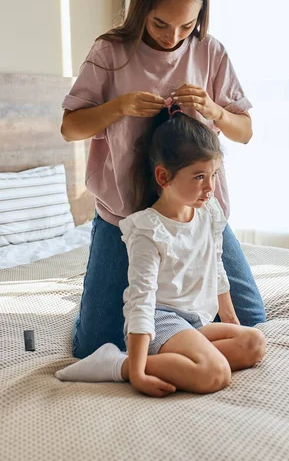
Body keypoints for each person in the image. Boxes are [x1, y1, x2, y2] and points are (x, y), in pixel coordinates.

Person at [61, 0, 266, 360]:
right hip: (125, 218)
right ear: (142, 9)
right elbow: (71, 127)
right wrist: (119, 107)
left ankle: (174, 324)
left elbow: (244, 131)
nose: (172, 37)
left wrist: (213, 109)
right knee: (95, 345)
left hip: (195, 214)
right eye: (160, 23)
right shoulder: (110, 53)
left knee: (251, 319)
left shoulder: (210, 52)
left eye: (186, 25)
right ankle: (135, 312)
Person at [56, 106, 266, 397]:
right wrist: (139, 372)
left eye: (214, 175)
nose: (210, 187)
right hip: (162, 320)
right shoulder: (148, 230)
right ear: (163, 177)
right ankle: (119, 365)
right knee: (215, 373)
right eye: (199, 177)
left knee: (254, 342)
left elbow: (217, 270)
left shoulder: (208, 212)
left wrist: (232, 324)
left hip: (194, 320)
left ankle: (185, 359)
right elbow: (140, 301)